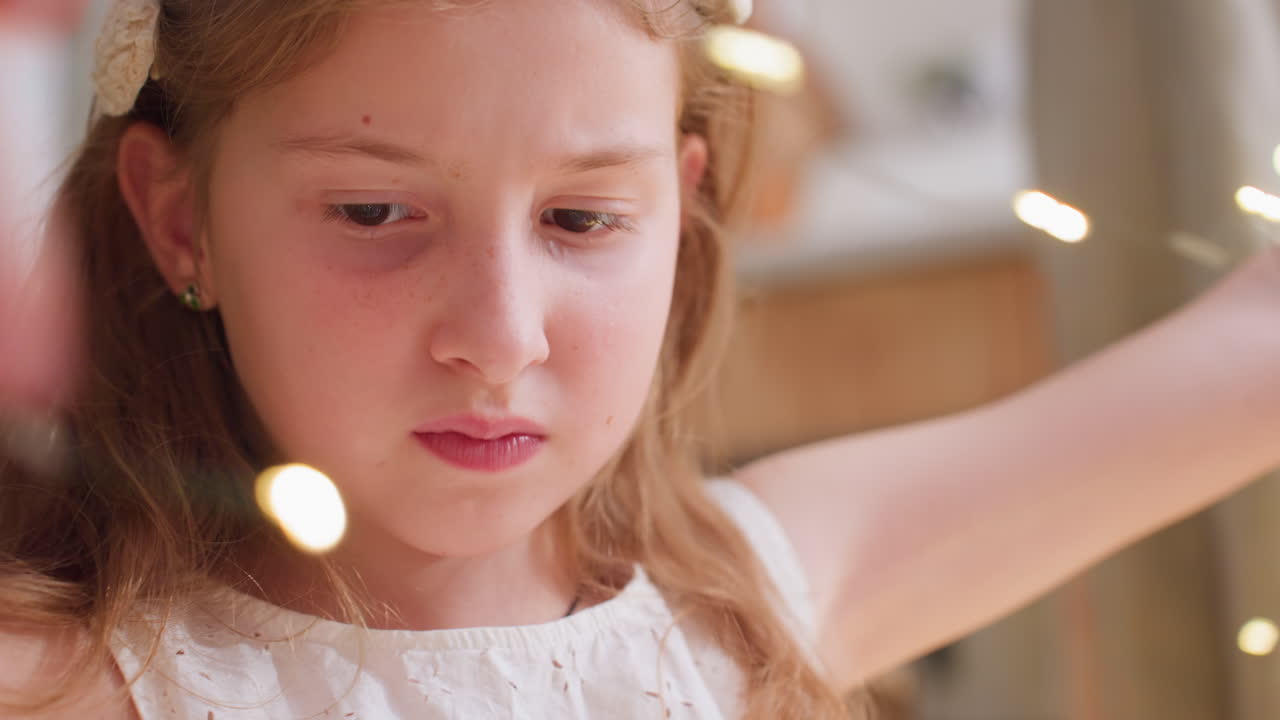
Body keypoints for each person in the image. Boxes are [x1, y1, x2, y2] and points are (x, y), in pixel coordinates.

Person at [3, 0, 1280, 718]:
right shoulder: (73, 682)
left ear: (678, 209)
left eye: (580, 220)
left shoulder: (746, 607)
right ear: (181, 219)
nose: (500, 336)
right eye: (374, 215)